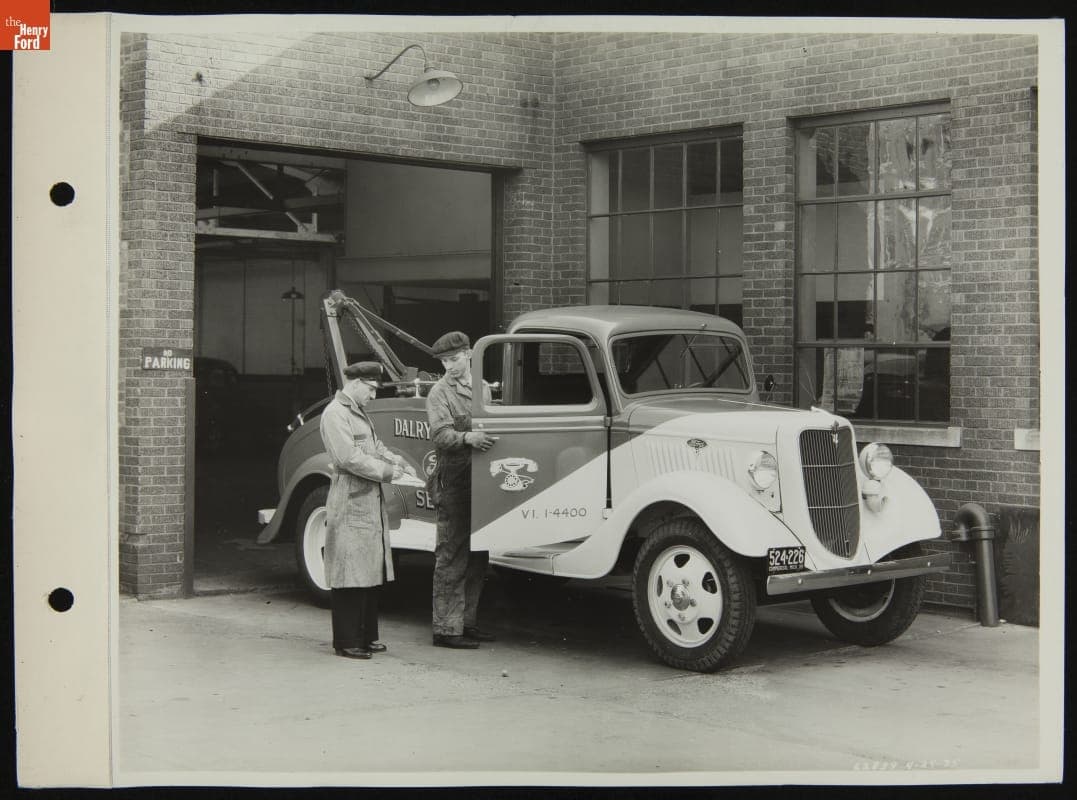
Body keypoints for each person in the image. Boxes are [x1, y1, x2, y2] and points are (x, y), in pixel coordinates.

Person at [319, 361, 416, 659]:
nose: (373, 395)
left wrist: (397, 461)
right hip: (350, 498)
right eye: (371, 389)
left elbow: (375, 447)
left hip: (366, 498)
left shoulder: (357, 412)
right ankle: (347, 641)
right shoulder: (336, 414)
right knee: (350, 570)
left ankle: (366, 635)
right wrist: (389, 473)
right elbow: (348, 458)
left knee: (369, 567)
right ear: (357, 382)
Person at [425, 331, 498, 649]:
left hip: (479, 481)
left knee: (479, 555)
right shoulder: (439, 393)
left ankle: (466, 622)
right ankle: (446, 629)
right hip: (453, 482)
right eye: (443, 361)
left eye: (453, 359)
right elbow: (440, 435)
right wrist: (468, 438)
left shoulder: (482, 388)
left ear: (468, 354)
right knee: (451, 555)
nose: (448, 366)